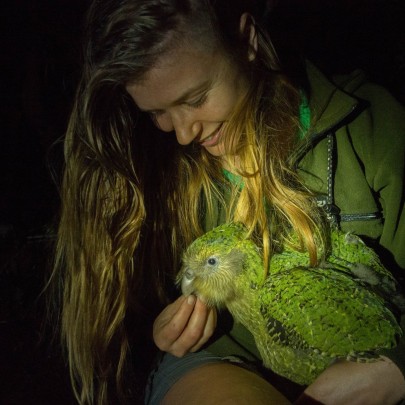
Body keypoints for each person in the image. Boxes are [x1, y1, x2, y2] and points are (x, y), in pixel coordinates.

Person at [52, 0, 405, 403]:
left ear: (246, 41)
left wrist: (394, 368)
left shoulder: (372, 132)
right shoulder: (170, 174)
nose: (182, 133)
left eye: (195, 98)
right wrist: (175, 324)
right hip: (228, 359)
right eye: (157, 113)